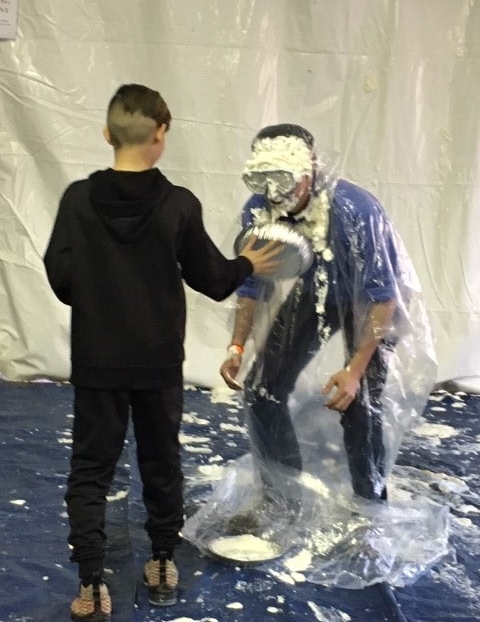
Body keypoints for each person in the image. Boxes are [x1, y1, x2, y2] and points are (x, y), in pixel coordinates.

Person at [43, 84, 283, 622]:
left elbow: (61, 280)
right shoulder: (178, 204)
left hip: (98, 361)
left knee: (90, 470)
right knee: (161, 461)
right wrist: (245, 262)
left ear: (107, 135)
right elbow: (216, 280)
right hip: (156, 363)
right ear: (161, 136)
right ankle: (161, 564)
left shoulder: (78, 201)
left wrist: (103, 286)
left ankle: (90, 587)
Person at [220, 123, 422, 513]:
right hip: (318, 293)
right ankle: (282, 495)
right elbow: (252, 284)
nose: (275, 191)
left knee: (359, 403)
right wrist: (237, 344)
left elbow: (383, 298)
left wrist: (354, 370)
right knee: (262, 389)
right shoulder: (261, 209)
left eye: (285, 179)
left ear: (309, 170)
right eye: (264, 180)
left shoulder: (354, 210)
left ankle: (368, 506)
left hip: (373, 301)